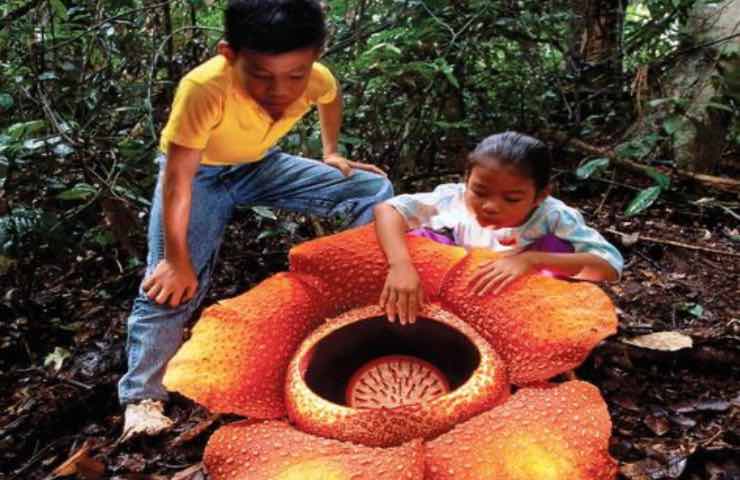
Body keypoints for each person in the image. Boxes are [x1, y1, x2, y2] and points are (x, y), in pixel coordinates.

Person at [118, 0, 393, 441]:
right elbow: (178, 183)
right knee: (169, 284)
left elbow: (330, 97)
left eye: (295, 75)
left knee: (370, 190)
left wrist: (331, 151)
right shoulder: (203, 88)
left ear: (316, 55)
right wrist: (176, 258)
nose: (280, 90)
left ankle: (365, 298)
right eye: (262, 76)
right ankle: (143, 398)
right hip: (202, 178)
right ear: (229, 53)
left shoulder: (316, 78)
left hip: (259, 165)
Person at [374, 131, 622, 325]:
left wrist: (532, 260)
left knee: (560, 247)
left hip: (527, 300)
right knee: (417, 239)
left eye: (512, 198)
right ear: (466, 180)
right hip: (456, 293)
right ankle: (416, 311)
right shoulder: (453, 200)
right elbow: (388, 210)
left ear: (539, 196)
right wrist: (401, 265)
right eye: (479, 192)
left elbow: (609, 266)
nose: (490, 206)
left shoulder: (553, 216)